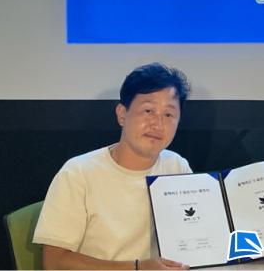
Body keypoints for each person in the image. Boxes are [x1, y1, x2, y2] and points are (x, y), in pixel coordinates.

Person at [34, 63, 192, 270]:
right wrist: (137, 268)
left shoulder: (176, 166)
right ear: (122, 114)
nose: (157, 123)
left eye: (169, 115)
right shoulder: (78, 173)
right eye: (148, 110)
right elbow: (54, 262)